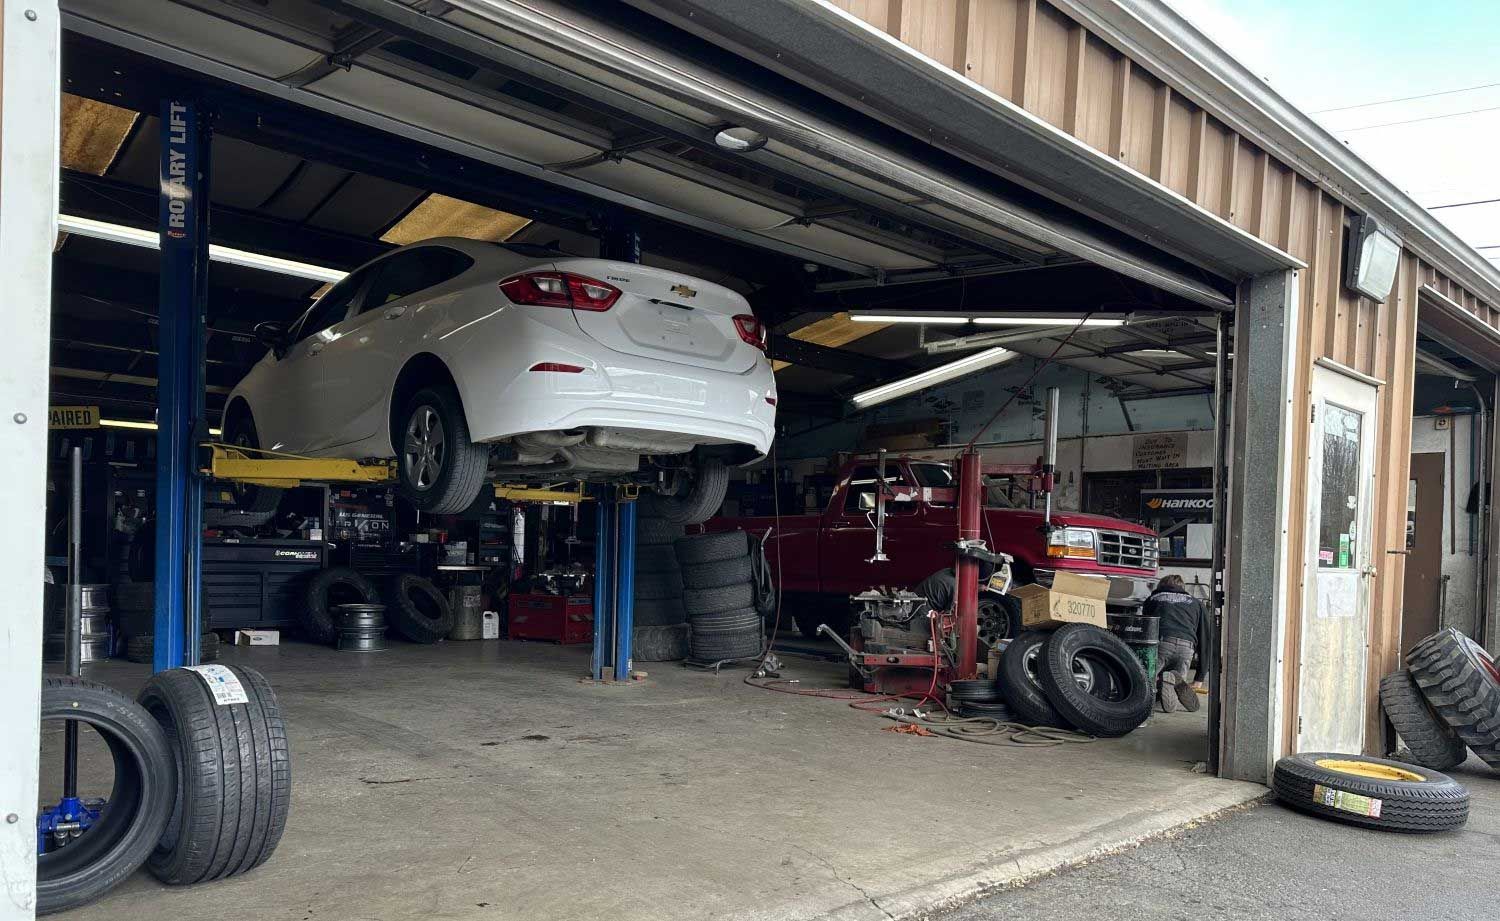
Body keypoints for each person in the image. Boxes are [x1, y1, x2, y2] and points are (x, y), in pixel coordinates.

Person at [1143, 574, 1216, 713]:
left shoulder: (1152, 599)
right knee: (1176, 679)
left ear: (1161, 586)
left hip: (1162, 643)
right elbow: (1205, 639)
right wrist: (1199, 677)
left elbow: (1147, 629)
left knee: (1146, 681)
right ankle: (1172, 686)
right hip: (1186, 647)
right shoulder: (1197, 603)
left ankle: (1152, 694)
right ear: (1183, 588)